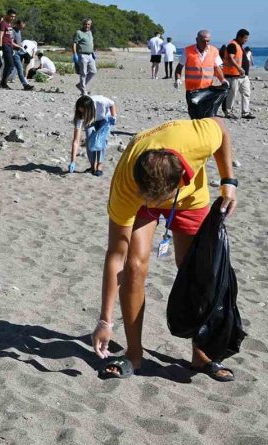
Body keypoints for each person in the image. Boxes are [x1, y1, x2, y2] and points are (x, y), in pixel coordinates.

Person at [91, 116, 238, 381]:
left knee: (198, 272)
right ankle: (134, 354)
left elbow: (221, 126)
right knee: (135, 266)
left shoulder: (198, 138)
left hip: (190, 199)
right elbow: (116, 254)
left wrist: (229, 181)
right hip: (141, 198)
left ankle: (201, 353)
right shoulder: (128, 184)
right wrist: (105, 320)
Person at [174, 30, 229, 117]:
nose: (206, 43)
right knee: (195, 116)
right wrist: (177, 79)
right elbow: (179, 67)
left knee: (207, 116)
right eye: (204, 41)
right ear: (197, 40)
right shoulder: (188, 51)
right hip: (192, 90)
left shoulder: (214, 51)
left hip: (207, 90)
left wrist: (223, 80)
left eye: (208, 41)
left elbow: (217, 68)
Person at [68, 95, 118, 176]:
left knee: (102, 139)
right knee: (90, 139)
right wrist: (72, 161)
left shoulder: (101, 101)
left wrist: (114, 116)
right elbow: (76, 141)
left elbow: (112, 104)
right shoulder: (80, 116)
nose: (82, 114)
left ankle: (99, 166)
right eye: (80, 111)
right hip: (90, 120)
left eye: (84, 112)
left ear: (90, 109)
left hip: (104, 118)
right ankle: (92, 166)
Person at [221, 29, 254, 119]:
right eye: (245, 38)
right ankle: (228, 112)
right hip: (234, 75)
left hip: (243, 75)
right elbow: (231, 58)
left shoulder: (240, 46)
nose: (246, 40)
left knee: (246, 93)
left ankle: (245, 112)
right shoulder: (232, 45)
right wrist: (239, 68)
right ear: (240, 37)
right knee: (232, 94)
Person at [8, 20, 35, 91]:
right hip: (14, 52)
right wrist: (19, 47)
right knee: (19, 68)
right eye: (21, 26)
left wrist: (21, 48)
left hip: (19, 52)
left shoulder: (19, 31)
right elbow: (11, 42)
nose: (22, 28)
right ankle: (25, 85)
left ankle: (3, 81)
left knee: (12, 68)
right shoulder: (12, 31)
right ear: (17, 24)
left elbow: (18, 42)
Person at [72, 18, 97, 94]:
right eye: (85, 24)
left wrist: (93, 52)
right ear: (83, 24)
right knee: (83, 73)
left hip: (90, 55)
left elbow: (90, 43)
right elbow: (74, 43)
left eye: (88, 24)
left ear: (90, 25)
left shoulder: (90, 32)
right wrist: (75, 54)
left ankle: (80, 85)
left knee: (93, 71)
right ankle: (83, 90)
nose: (87, 26)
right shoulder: (79, 32)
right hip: (82, 55)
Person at [0, 9, 18, 89]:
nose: (12, 18)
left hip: (10, 46)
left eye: (14, 17)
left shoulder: (9, 24)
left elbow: (10, 37)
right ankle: (3, 83)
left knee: (9, 65)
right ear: (7, 15)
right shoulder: (3, 24)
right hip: (5, 46)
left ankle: (3, 83)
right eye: (11, 16)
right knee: (10, 64)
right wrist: (0, 47)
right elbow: (0, 36)